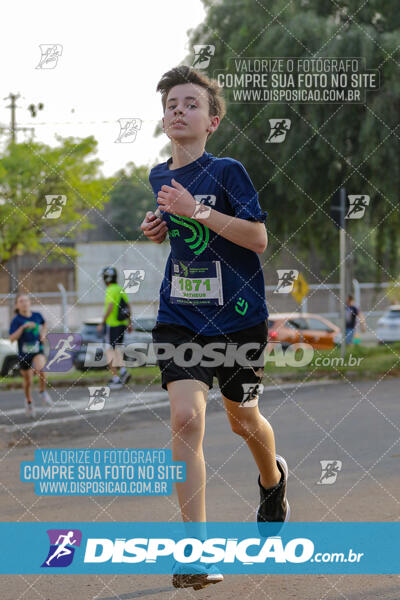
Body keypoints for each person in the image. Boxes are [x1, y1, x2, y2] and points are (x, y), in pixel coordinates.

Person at [141, 66, 289, 590]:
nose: (179, 110)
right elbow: (183, 235)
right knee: (186, 419)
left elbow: (257, 239)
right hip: (180, 317)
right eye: (172, 105)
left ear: (213, 120)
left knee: (243, 419)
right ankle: (194, 552)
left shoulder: (228, 171)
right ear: (164, 121)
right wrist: (160, 228)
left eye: (191, 104)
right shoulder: (159, 177)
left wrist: (195, 210)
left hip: (240, 319)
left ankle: (273, 482)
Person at [9, 293, 53, 417]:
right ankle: (29, 402)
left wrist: (43, 334)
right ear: (17, 305)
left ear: (30, 303)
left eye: (26, 300)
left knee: (41, 369)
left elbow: (44, 324)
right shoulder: (16, 320)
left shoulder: (37, 316)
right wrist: (23, 328)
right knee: (28, 381)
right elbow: (12, 338)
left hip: (37, 349)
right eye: (21, 301)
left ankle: (42, 392)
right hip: (24, 354)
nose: (24, 303)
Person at [97, 266, 133, 389]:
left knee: (109, 351)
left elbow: (111, 306)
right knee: (117, 349)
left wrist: (102, 322)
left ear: (106, 278)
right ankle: (123, 371)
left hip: (112, 325)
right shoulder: (120, 288)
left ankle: (116, 378)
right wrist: (129, 322)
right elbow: (128, 306)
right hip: (122, 324)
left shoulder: (110, 290)